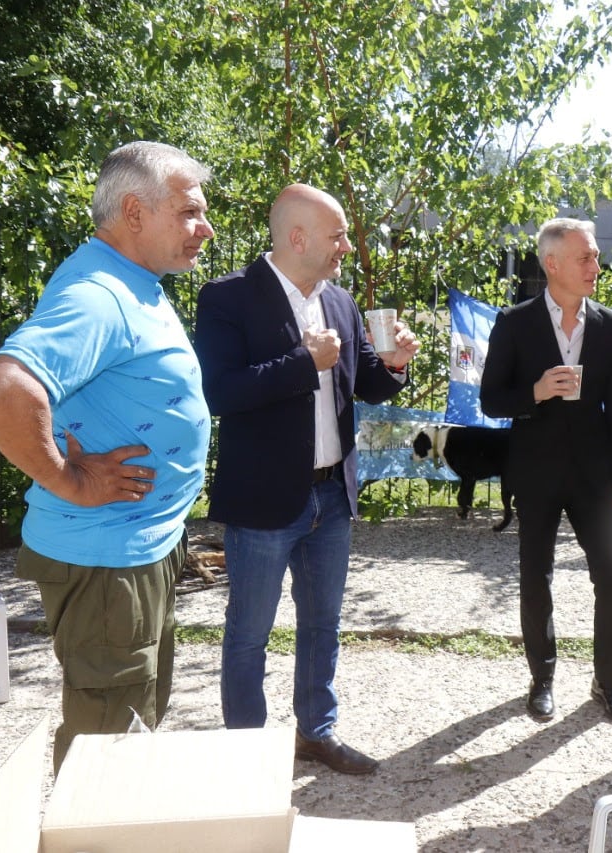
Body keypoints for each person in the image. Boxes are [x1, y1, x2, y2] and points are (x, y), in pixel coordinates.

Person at [0, 141, 215, 773]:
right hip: (107, 557)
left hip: (136, 546)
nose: (204, 230)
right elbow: (0, 388)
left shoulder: (131, 282)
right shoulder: (100, 294)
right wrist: (68, 479)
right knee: (108, 750)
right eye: (189, 213)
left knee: (133, 722)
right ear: (134, 212)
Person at [193, 183, 418, 776]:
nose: (346, 245)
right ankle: (247, 751)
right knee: (250, 632)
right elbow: (219, 392)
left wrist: (394, 365)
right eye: (337, 235)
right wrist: (302, 362)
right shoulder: (227, 298)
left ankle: (315, 733)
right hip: (265, 501)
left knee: (323, 624)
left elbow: (364, 380)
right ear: (298, 238)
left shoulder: (339, 301)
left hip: (331, 497)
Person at [479, 218, 612, 727]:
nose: (596, 266)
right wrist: (536, 392)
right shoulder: (515, 323)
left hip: (595, 476)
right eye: (586, 257)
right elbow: (490, 400)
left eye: (594, 256)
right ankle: (541, 678)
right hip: (537, 472)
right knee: (535, 576)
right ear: (553, 264)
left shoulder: (610, 326)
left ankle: (608, 684)